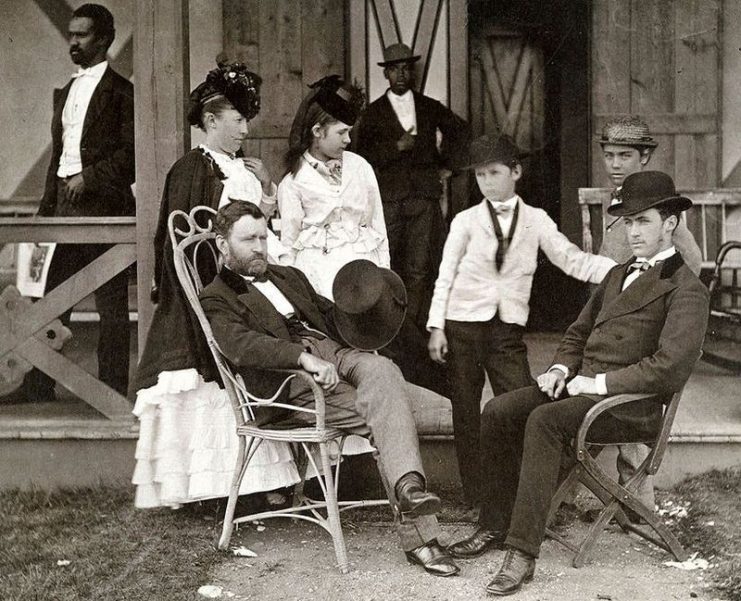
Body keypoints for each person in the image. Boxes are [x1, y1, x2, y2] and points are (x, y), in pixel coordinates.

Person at [447, 171, 709, 597]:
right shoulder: (616, 274)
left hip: (626, 405)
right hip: (581, 387)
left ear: (670, 223)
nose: (633, 231)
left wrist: (598, 383)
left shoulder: (685, 288)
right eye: (627, 222)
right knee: (497, 410)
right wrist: (559, 371)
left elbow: (669, 368)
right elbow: (576, 333)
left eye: (643, 220)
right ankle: (494, 524)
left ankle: (522, 553)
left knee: (545, 421)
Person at [199, 201, 460, 577]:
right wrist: (301, 358)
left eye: (262, 237)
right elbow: (241, 345)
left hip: (338, 356)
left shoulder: (286, 275)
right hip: (296, 385)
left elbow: (328, 313)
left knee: (384, 368)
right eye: (248, 240)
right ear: (223, 246)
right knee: (430, 416)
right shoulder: (217, 296)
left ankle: (409, 489)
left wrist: (366, 302)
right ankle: (421, 534)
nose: (259, 247)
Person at [131, 62, 295, 509]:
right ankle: (214, 487)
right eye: (237, 120)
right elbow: (187, 246)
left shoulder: (237, 167)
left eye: (246, 120)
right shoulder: (191, 170)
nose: (245, 129)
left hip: (245, 279)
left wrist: (264, 191)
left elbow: (253, 227)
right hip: (208, 292)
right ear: (210, 121)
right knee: (214, 378)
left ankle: (257, 480)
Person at [426, 134, 616, 508]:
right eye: (480, 176)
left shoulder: (536, 220)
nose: (487, 182)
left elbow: (571, 259)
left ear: (515, 171)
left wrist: (620, 271)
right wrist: (436, 326)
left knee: (522, 404)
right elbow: (445, 274)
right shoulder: (465, 221)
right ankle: (477, 498)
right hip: (461, 324)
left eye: (494, 172)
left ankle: (520, 494)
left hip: (506, 330)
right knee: (465, 413)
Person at [23, 3, 134, 402]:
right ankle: (38, 384)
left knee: (111, 306)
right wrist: (45, 210)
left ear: (103, 39)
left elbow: (132, 154)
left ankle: (112, 390)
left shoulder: (123, 93)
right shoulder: (67, 90)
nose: (73, 41)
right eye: (71, 34)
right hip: (64, 213)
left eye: (81, 34)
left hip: (105, 213)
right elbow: (59, 154)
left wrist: (90, 177)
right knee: (51, 298)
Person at [596, 116, 703, 515]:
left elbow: (688, 263)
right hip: (614, 324)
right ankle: (601, 499)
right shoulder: (618, 205)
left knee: (633, 421)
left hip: (644, 333)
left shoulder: (659, 208)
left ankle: (638, 506)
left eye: (626, 155)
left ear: (644, 157)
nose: (615, 163)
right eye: (609, 155)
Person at [355, 43, 470, 327]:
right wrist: (396, 146)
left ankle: (414, 326)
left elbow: (461, 131)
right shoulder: (372, 113)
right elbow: (361, 157)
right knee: (388, 261)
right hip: (389, 201)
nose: (402, 74)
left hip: (422, 197)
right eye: (395, 69)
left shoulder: (429, 107)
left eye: (406, 68)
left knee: (419, 267)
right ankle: (391, 324)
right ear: (386, 74)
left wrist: (447, 166)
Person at [278, 75, 389, 299]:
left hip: (363, 271)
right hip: (318, 277)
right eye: (341, 132)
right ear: (317, 131)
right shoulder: (293, 182)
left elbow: (377, 226)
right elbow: (289, 243)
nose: (348, 139)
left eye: (349, 131)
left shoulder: (360, 167)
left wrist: (385, 275)